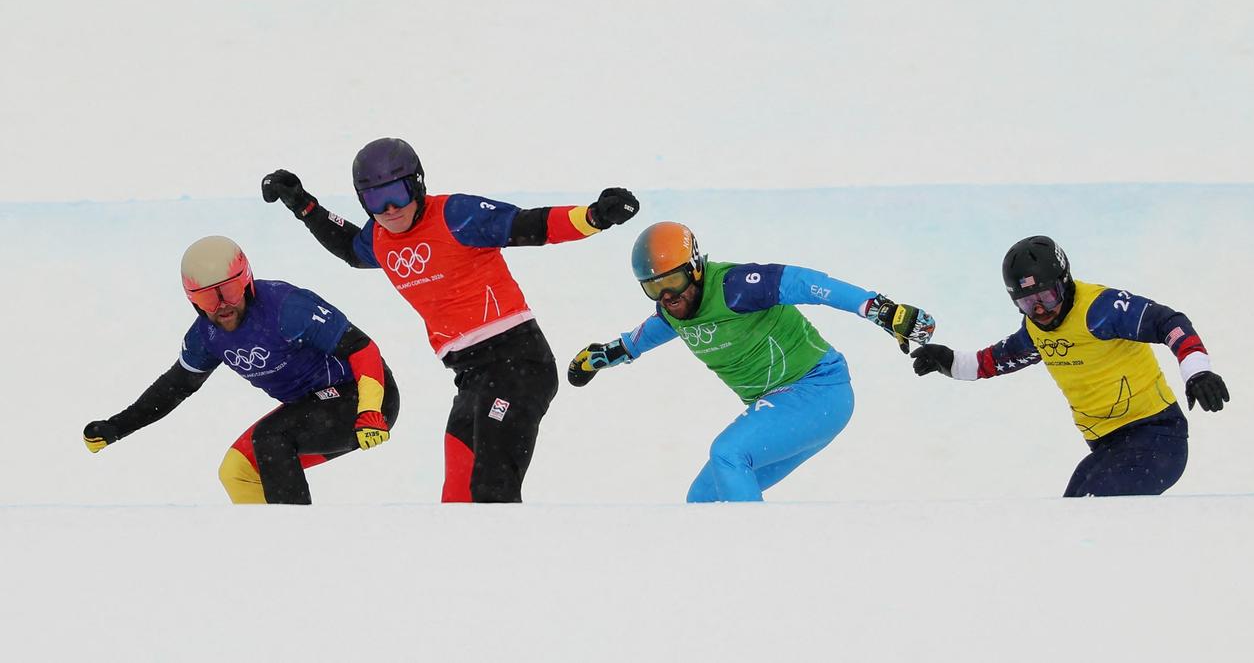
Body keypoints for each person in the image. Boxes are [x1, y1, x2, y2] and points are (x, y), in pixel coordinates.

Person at [262, 137, 640, 503]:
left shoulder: (455, 214)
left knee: (493, 489)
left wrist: (594, 217)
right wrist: (304, 206)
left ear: (417, 185)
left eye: (398, 194)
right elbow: (348, 246)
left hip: (519, 365)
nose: (390, 209)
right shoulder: (378, 238)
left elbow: (530, 225)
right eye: (375, 199)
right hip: (470, 379)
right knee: (458, 503)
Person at [566, 221, 936, 502]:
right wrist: (601, 357)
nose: (667, 296)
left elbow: (806, 283)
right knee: (703, 501)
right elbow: (639, 339)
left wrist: (879, 309)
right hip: (788, 405)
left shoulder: (736, 286)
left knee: (727, 454)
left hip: (818, 390)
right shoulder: (673, 312)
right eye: (653, 287)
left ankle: (753, 552)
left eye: (673, 281)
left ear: (695, 268)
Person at [82, 235, 399, 504]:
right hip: (312, 404)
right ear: (193, 301)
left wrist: (370, 409)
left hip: (364, 395)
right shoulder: (206, 337)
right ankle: (273, 542)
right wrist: (116, 427)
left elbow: (362, 348)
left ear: (247, 282)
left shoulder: (287, 307)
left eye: (229, 292)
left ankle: (297, 537)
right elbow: (173, 388)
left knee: (271, 438)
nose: (222, 305)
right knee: (237, 470)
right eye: (208, 298)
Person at [910, 235, 1230, 497]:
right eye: (1027, 302)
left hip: (1157, 439)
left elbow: (1169, 322)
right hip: (1109, 447)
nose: (1040, 310)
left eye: (1047, 297)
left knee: (1086, 512)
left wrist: (1197, 370)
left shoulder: (1101, 309)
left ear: (1064, 282)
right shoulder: (1036, 329)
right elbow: (997, 359)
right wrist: (950, 362)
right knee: (1072, 511)